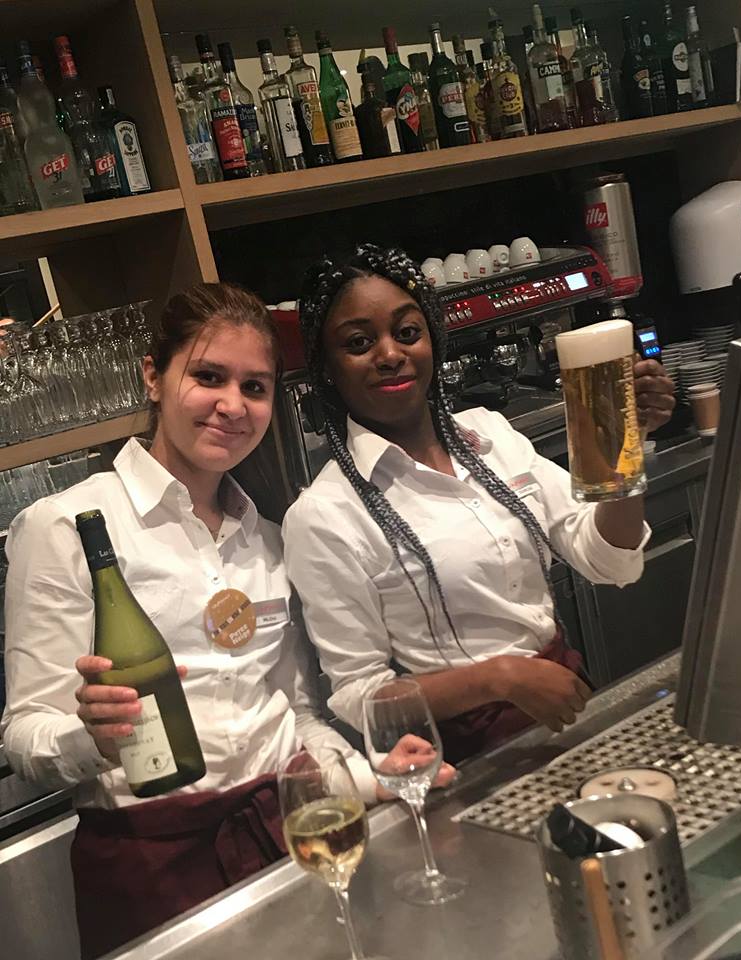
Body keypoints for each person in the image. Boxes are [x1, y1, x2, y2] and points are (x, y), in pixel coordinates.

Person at [1, 282, 450, 959]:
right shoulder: (65, 527)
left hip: (284, 839)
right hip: (151, 865)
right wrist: (92, 737)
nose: (233, 405)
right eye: (208, 377)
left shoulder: (266, 538)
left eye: (255, 387)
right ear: (153, 377)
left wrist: (370, 776)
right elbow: (24, 735)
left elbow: (294, 714)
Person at [282, 244, 676, 765]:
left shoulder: (491, 436)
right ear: (328, 367)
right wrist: (501, 678)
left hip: (565, 703)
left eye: (407, 332)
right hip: (461, 753)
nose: (390, 354)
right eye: (358, 342)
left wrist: (624, 443)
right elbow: (361, 698)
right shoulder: (324, 515)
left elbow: (611, 561)